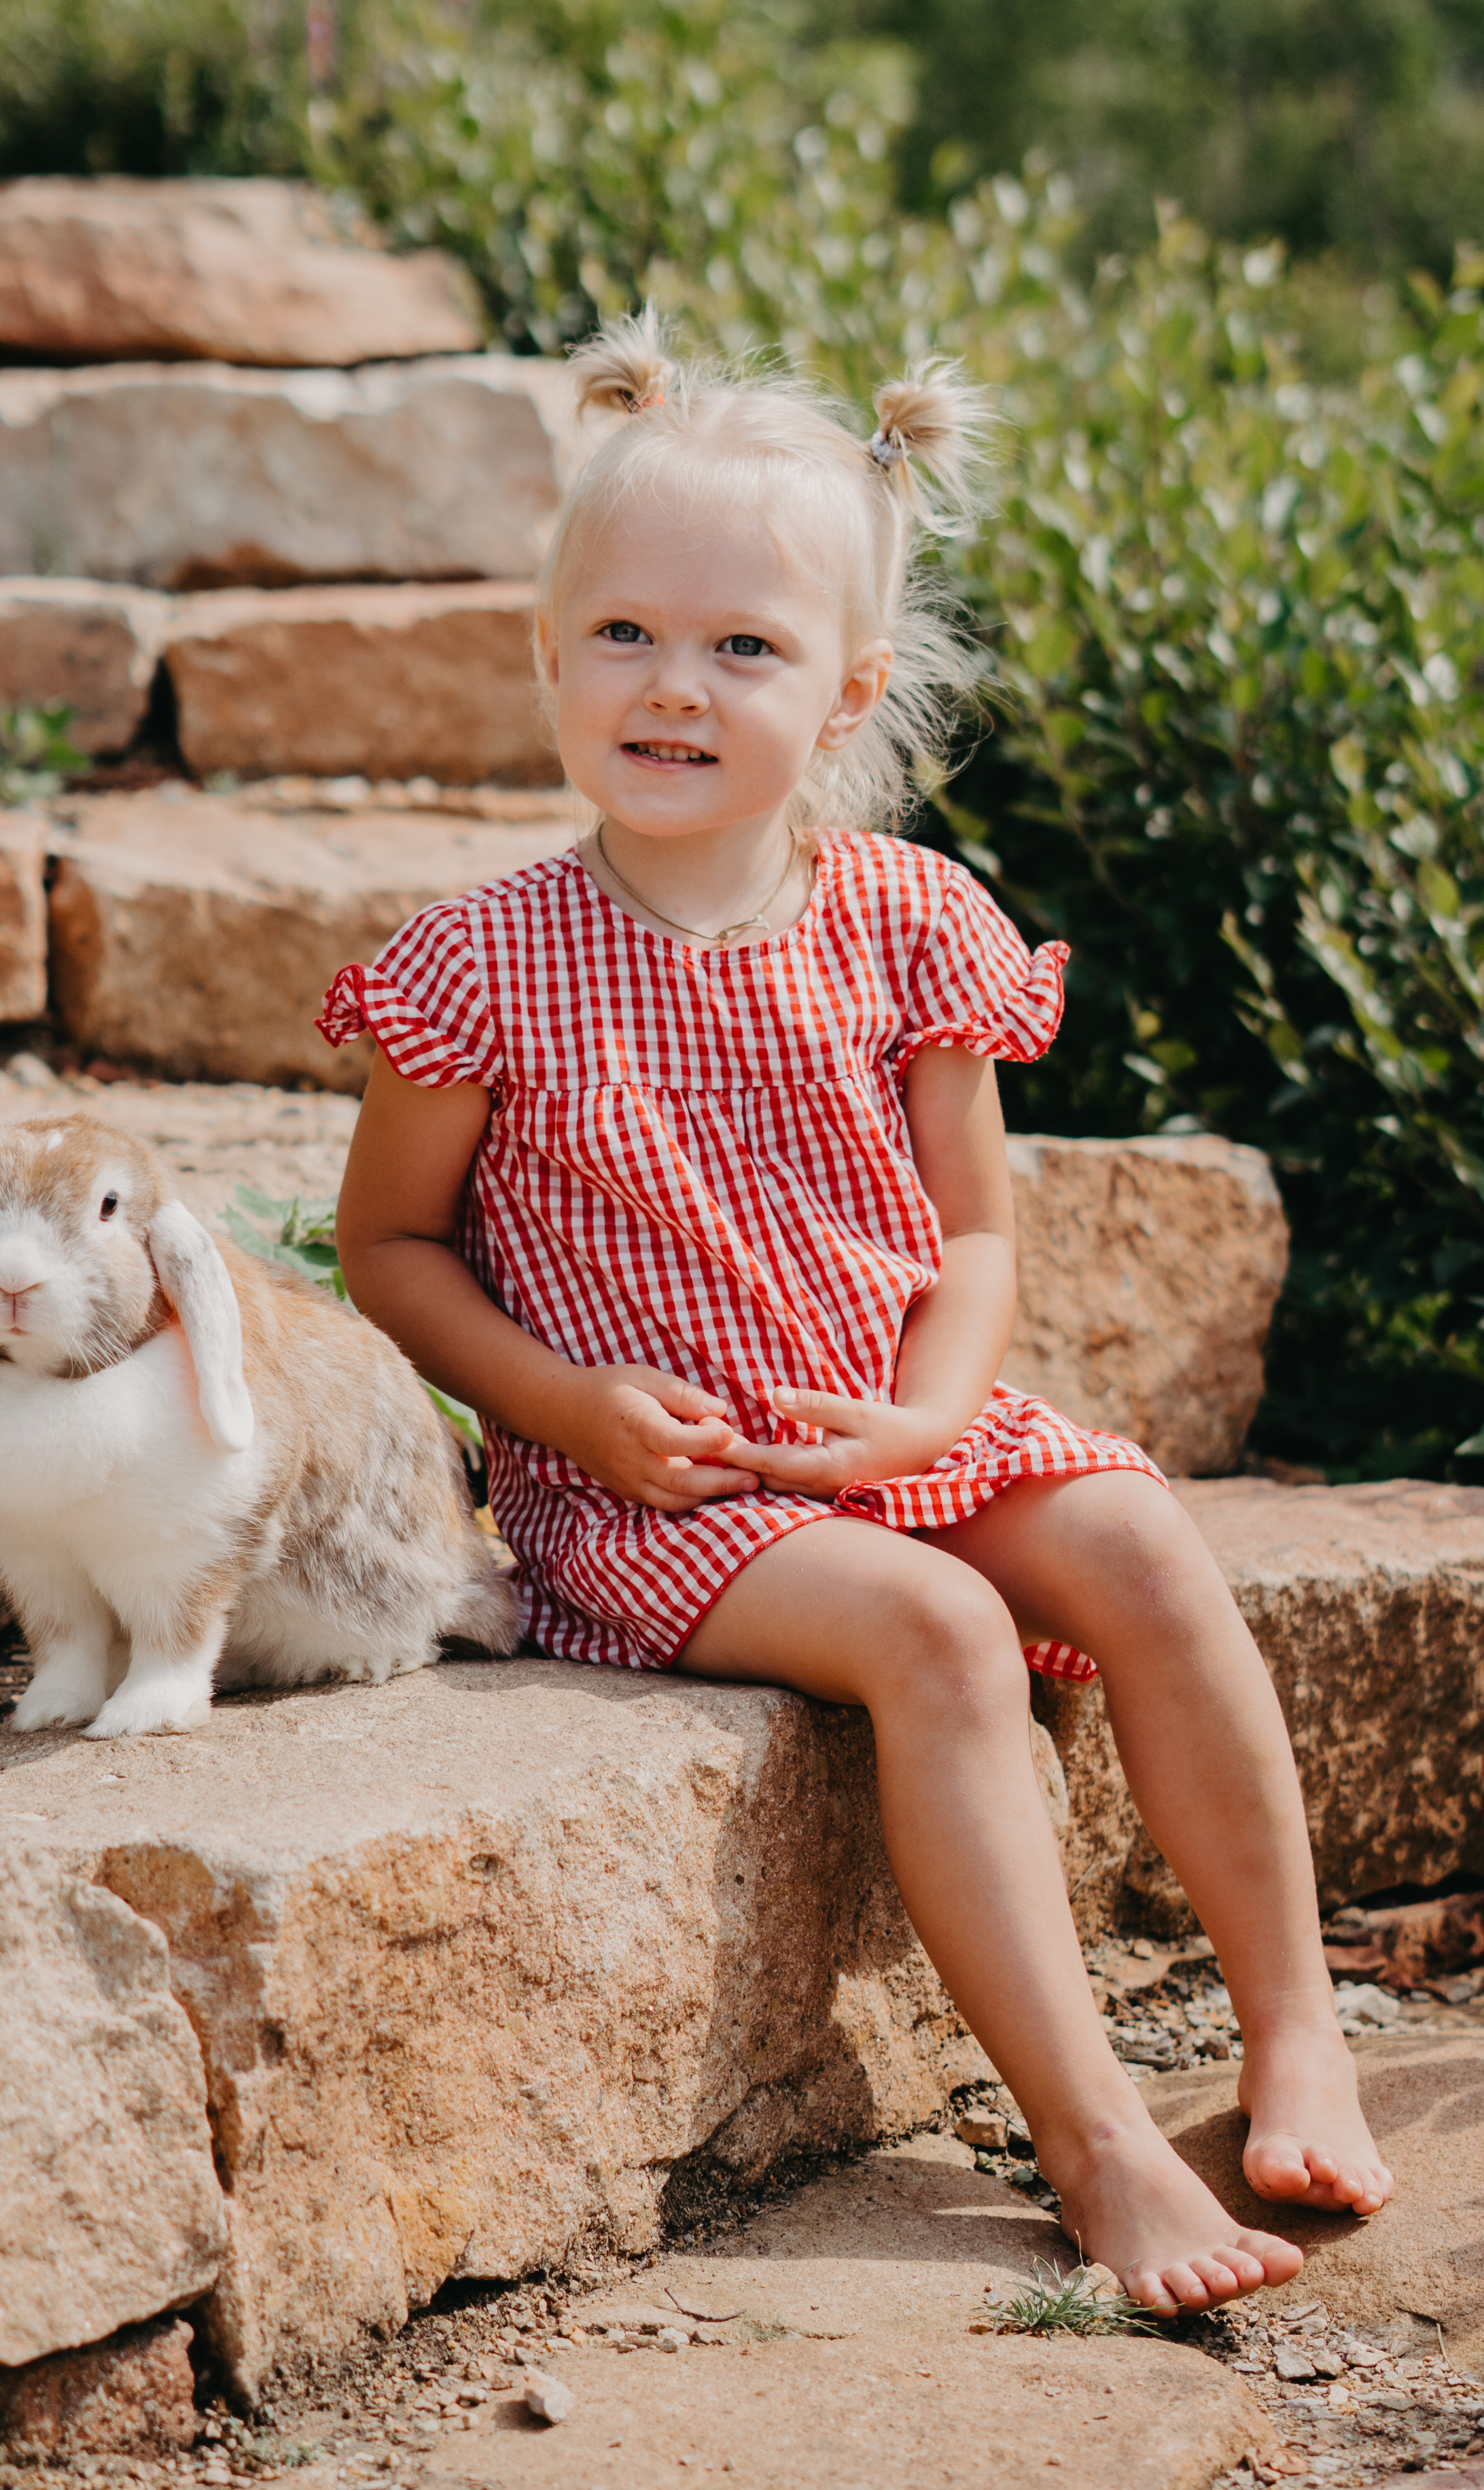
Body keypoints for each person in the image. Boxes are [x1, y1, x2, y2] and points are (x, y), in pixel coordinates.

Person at [322, 313, 1391, 2313]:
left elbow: (976, 1235)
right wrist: (566, 1401)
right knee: (940, 1623)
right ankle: (1095, 2145)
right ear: (549, 656)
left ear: (845, 693)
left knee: (1143, 1537)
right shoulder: (477, 968)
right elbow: (388, 1248)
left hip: (889, 1422)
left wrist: (925, 1417)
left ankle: (1295, 2021)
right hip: (665, 1488)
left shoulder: (907, 918)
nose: (674, 685)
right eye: (625, 633)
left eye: (745, 647)